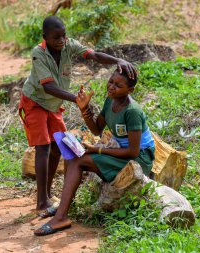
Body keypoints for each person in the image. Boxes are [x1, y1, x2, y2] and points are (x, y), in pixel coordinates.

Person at [19, 15, 137, 218]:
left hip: (53, 106)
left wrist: (118, 60)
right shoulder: (39, 53)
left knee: (59, 147)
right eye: (56, 37)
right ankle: (41, 201)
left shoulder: (69, 45)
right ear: (44, 37)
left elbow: (94, 56)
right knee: (43, 147)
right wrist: (75, 99)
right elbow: (48, 86)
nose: (61, 41)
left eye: (64, 36)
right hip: (35, 102)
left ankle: (47, 194)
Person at [34, 69, 156, 235]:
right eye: (111, 81)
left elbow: (133, 152)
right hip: (122, 151)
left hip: (140, 159)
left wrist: (99, 149)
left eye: (118, 85)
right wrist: (84, 109)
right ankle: (63, 206)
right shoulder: (110, 101)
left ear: (130, 90)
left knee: (79, 161)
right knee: (72, 155)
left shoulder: (132, 111)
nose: (111, 87)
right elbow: (97, 129)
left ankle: (61, 217)